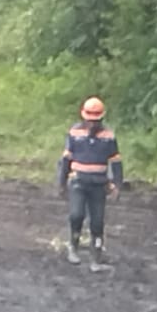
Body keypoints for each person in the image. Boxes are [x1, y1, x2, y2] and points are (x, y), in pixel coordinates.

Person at [57, 96, 124, 271]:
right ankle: (73, 245)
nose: (92, 125)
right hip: (78, 181)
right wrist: (61, 183)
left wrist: (117, 185)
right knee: (76, 215)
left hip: (99, 185)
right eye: (89, 121)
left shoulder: (108, 136)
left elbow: (115, 162)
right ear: (83, 118)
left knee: (97, 221)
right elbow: (66, 159)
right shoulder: (75, 133)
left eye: (96, 121)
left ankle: (96, 257)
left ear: (101, 118)